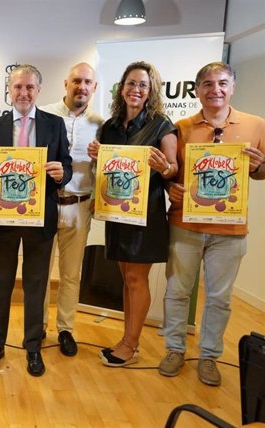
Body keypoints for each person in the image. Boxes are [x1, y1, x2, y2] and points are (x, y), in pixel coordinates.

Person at [159, 62, 265, 386]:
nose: (214, 89)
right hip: (185, 225)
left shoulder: (256, 125)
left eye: (221, 83)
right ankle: (175, 349)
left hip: (230, 231)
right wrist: (170, 188)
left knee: (220, 297)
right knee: (177, 291)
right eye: (207, 84)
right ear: (196, 90)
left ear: (232, 87)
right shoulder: (181, 127)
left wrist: (260, 167)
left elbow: (261, 174)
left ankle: (209, 356)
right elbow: (171, 173)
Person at [0, 64, 73, 376]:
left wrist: (62, 174)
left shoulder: (54, 124)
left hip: (40, 216)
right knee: (1, 285)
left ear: (39, 91)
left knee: (35, 285)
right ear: (9, 89)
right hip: (3, 219)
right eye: (18, 87)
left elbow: (67, 165)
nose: (23, 93)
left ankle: (33, 348)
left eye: (30, 87)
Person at [87, 61, 178, 367]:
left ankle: (130, 345)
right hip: (118, 212)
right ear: (121, 88)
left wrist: (163, 167)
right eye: (130, 83)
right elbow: (108, 170)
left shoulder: (162, 125)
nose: (135, 89)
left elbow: (172, 166)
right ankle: (129, 340)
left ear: (151, 91)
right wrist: (97, 157)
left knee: (137, 279)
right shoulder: (111, 126)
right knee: (127, 278)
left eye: (142, 85)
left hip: (146, 215)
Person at [40, 63, 103, 357]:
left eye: (87, 82)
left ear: (95, 87)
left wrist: (102, 158)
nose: (81, 86)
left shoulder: (102, 124)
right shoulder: (44, 114)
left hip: (80, 206)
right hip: (46, 205)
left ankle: (65, 329)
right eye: (76, 80)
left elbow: (111, 170)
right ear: (66, 83)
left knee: (71, 274)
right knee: (39, 271)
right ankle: (36, 326)